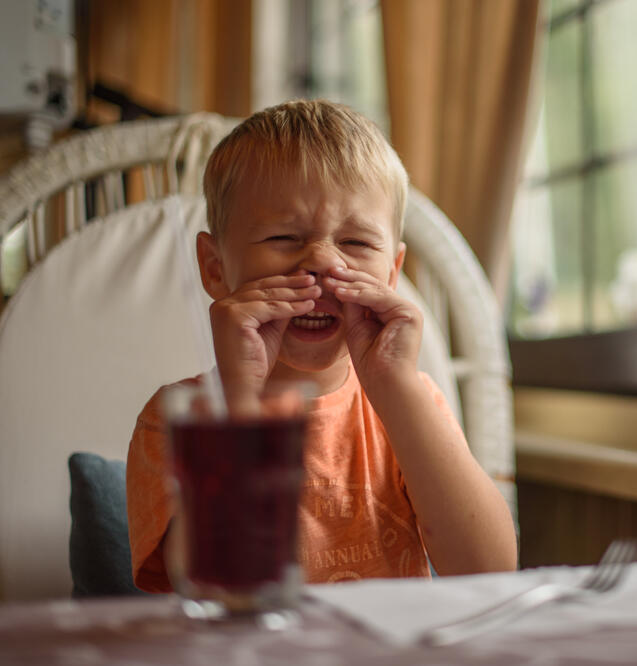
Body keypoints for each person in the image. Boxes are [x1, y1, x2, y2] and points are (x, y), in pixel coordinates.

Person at [126, 100, 518, 591]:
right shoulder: (176, 421)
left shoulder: (409, 405)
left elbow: (492, 572)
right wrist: (240, 395)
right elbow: (221, 585)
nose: (322, 264)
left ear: (392, 272)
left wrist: (397, 388)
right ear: (215, 267)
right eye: (284, 237)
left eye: (355, 244)